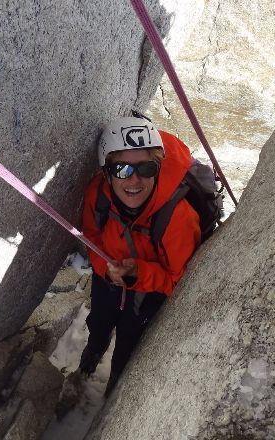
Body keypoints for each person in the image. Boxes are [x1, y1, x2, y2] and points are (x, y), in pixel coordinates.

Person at [79, 115, 201, 396]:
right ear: (107, 173)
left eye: (146, 168)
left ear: (158, 169)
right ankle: (94, 351)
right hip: (107, 280)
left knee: (128, 345)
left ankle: (114, 393)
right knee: (98, 323)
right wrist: (105, 267)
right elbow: (92, 237)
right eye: (121, 169)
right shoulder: (97, 195)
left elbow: (178, 281)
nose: (134, 180)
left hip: (147, 296)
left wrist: (140, 274)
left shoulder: (178, 218)